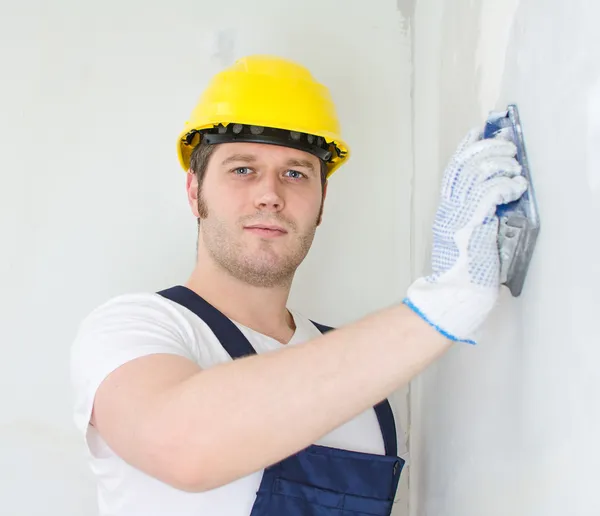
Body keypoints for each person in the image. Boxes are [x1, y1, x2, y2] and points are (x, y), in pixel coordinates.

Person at [70, 54, 527, 516]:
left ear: (322, 202)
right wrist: (442, 307)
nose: (270, 193)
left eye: (295, 173)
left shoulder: (372, 396)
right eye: (242, 169)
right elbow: (184, 445)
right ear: (194, 192)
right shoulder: (137, 330)